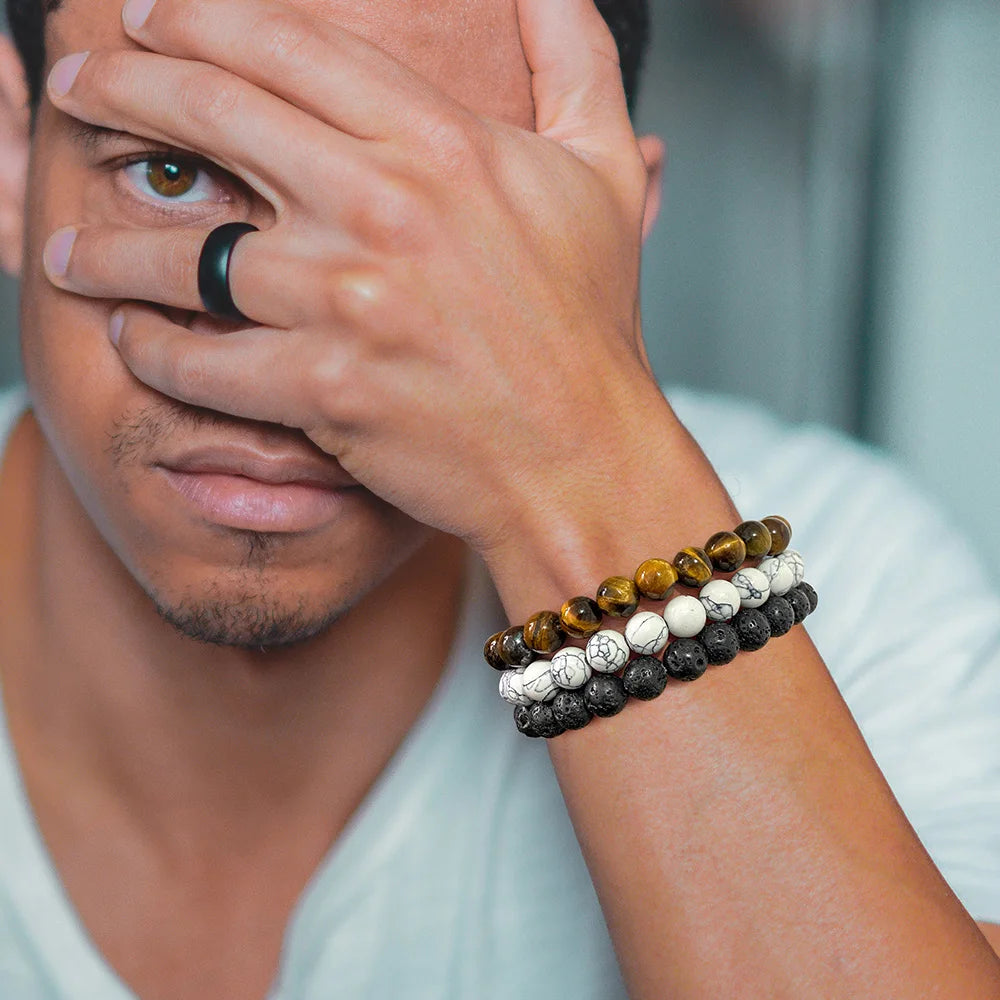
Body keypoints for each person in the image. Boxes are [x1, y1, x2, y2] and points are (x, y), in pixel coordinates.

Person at [0, 0, 998, 997]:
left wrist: (577, 458)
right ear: (12, 158)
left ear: (608, 238)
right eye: (169, 171)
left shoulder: (851, 592)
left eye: (424, 218)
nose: (288, 355)